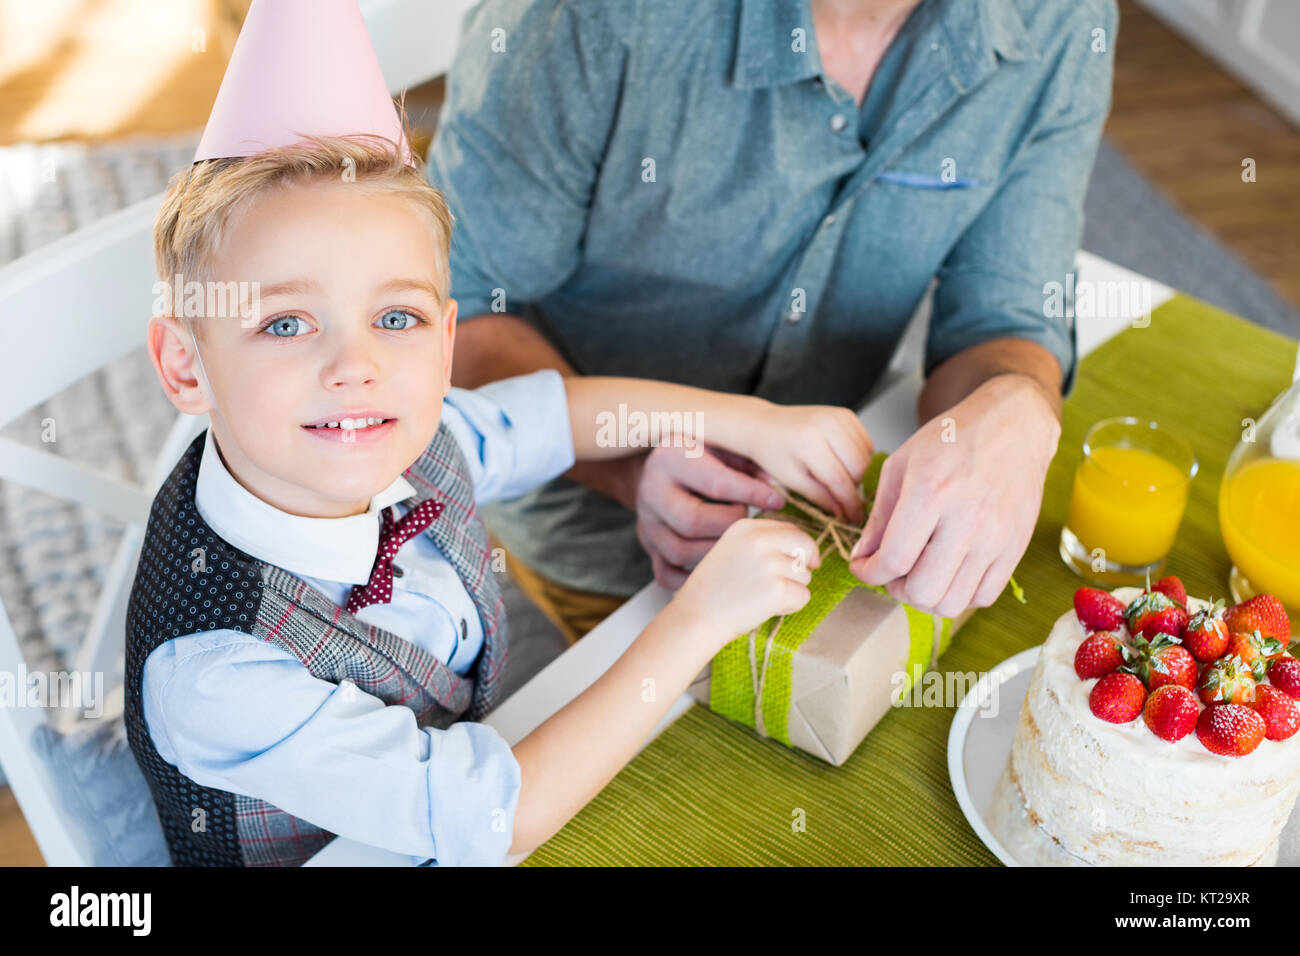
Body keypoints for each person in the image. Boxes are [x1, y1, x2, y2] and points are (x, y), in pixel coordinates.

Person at [127, 46, 881, 861]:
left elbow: (558, 416)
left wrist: (753, 422)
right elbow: (490, 814)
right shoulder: (213, 672)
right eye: (284, 324)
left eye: (397, 318)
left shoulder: (399, 431)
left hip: (494, 747)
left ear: (446, 343)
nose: (357, 368)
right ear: (183, 364)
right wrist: (698, 622)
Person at [429, 0, 1117, 639]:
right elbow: (451, 317)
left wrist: (1019, 404)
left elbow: (1003, 316)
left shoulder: (1060, 22)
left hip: (827, 531)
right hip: (591, 533)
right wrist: (636, 466)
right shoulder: (584, 18)